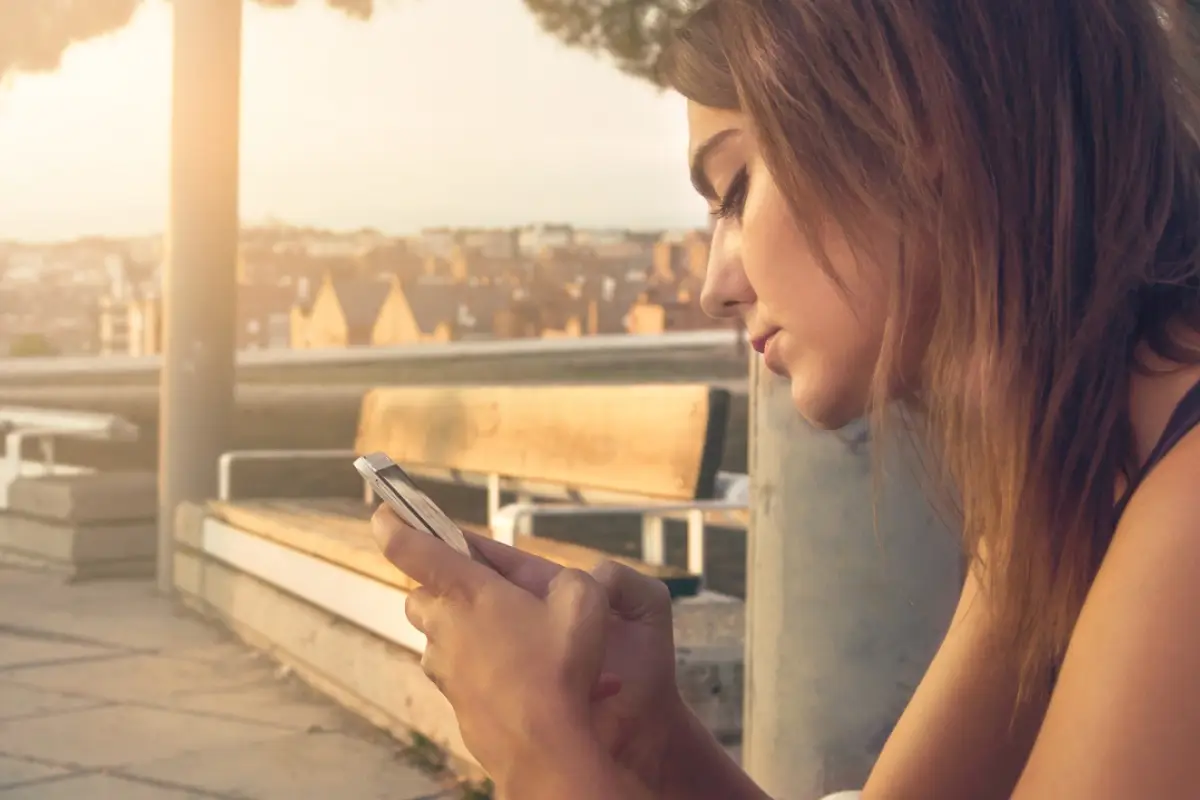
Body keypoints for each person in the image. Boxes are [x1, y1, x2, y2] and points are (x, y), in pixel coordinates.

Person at [371, 0, 1200, 797]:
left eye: (734, 190)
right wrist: (656, 742)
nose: (714, 288)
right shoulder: (1070, 483)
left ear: (916, 126)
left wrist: (542, 754)